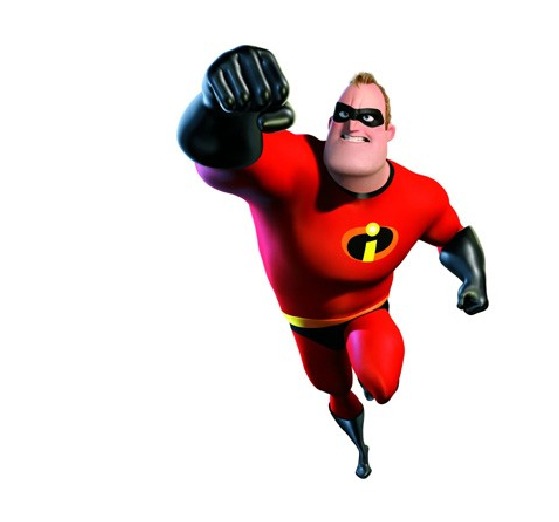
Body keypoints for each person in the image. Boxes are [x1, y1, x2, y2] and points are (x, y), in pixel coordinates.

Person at [177, 45, 489, 479]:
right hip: (309, 323)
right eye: (344, 114)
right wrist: (216, 109)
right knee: (333, 389)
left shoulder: (420, 194)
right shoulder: (295, 166)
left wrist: (472, 280)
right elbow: (218, 153)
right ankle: (359, 444)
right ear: (329, 124)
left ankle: (366, 399)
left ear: (389, 132)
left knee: (381, 381)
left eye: (369, 117)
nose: (353, 124)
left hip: (369, 312)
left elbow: (452, 235)